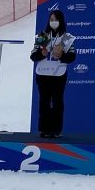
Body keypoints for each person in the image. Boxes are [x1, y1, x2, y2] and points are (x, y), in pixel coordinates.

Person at [30, 9, 76, 138]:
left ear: (60, 21)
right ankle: (44, 130)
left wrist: (62, 55)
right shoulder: (43, 36)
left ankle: (56, 130)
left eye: (56, 20)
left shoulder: (66, 37)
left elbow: (72, 57)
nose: (53, 22)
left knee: (57, 102)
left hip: (58, 75)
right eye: (51, 20)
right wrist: (41, 54)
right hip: (43, 74)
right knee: (44, 102)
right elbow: (33, 56)